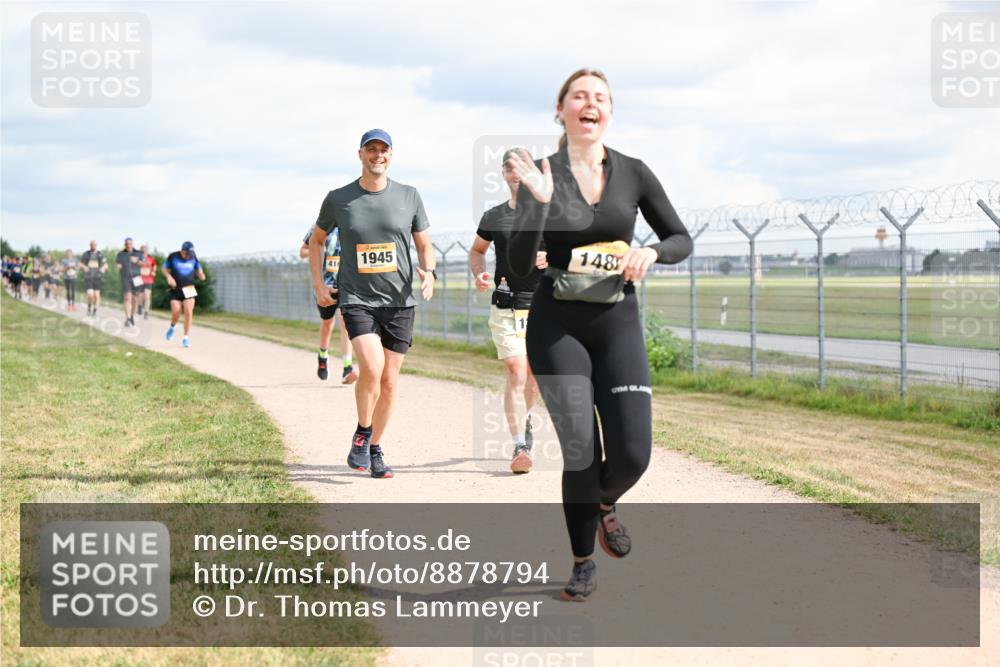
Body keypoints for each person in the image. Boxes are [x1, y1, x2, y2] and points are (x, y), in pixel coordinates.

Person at [507, 69, 691, 601]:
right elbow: (520, 266)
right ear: (561, 110)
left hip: (618, 325)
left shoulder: (634, 172)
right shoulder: (543, 174)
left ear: (609, 112)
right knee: (582, 451)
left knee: (632, 454)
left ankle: (603, 502)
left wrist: (652, 252)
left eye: (601, 97)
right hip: (557, 325)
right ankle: (583, 560)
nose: (591, 103)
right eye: (579, 96)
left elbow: (679, 236)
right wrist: (536, 202)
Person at [310, 128, 435, 480]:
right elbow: (317, 241)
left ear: (391, 155)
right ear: (360, 154)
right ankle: (363, 430)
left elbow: (424, 244)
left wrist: (430, 271)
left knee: (391, 382)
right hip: (357, 298)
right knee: (371, 367)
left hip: (399, 301)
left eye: (383, 150)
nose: (377, 155)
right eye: (371, 149)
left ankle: (375, 447)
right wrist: (319, 283)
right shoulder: (339, 198)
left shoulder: (409, 196)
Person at [469, 148, 548, 474]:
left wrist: (551, 258)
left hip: (543, 305)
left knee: (533, 378)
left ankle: (526, 423)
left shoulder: (549, 213)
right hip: (506, 304)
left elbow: (569, 252)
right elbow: (477, 251)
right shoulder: (494, 216)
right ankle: (519, 445)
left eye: (523, 167)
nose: (516, 173)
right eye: (510, 167)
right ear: (503, 173)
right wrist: (479, 273)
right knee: (516, 371)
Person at [300, 228, 357, 384]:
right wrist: (319, 251)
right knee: (328, 323)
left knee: (346, 323)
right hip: (325, 286)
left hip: (346, 285)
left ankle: (347, 367)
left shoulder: (350, 225)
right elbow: (303, 251)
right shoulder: (320, 227)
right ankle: (323, 355)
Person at [163, 241, 205, 348]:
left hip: (189, 288)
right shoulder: (173, 256)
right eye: (187, 253)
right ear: (182, 250)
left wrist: (201, 274)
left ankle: (185, 338)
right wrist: (169, 277)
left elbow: (199, 270)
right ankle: (172, 327)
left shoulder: (193, 257)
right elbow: (164, 268)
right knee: (176, 312)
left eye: (190, 254)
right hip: (176, 289)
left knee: (188, 312)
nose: (188, 256)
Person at [116, 237, 144, 327]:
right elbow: (117, 263)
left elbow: (143, 264)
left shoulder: (139, 253)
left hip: (137, 278)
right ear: (124, 245)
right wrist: (118, 266)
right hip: (125, 278)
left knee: (135, 299)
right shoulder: (121, 254)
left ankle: (132, 316)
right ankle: (127, 318)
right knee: (127, 297)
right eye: (127, 244)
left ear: (133, 244)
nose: (128, 245)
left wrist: (137, 261)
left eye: (130, 244)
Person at [79, 240, 108, 317]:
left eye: (95, 244)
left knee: (96, 295)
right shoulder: (86, 254)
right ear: (90, 245)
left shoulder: (100, 254)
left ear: (96, 245)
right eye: (92, 245)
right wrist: (84, 267)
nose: (93, 246)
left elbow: (105, 265)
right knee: (90, 294)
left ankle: (94, 311)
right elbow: (80, 263)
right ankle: (89, 307)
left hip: (97, 277)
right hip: (88, 276)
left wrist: (103, 269)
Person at [138, 243, 156, 319]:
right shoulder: (138, 258)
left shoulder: (151, 258)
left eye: (146, 250)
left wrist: (153, 271)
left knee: (147, 296)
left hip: (149, 279)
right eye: (143, 250)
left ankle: (146, 312)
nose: (145, 251)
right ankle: (139, 306)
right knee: (140, 296)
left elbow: (154, 265)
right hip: (139, 278)